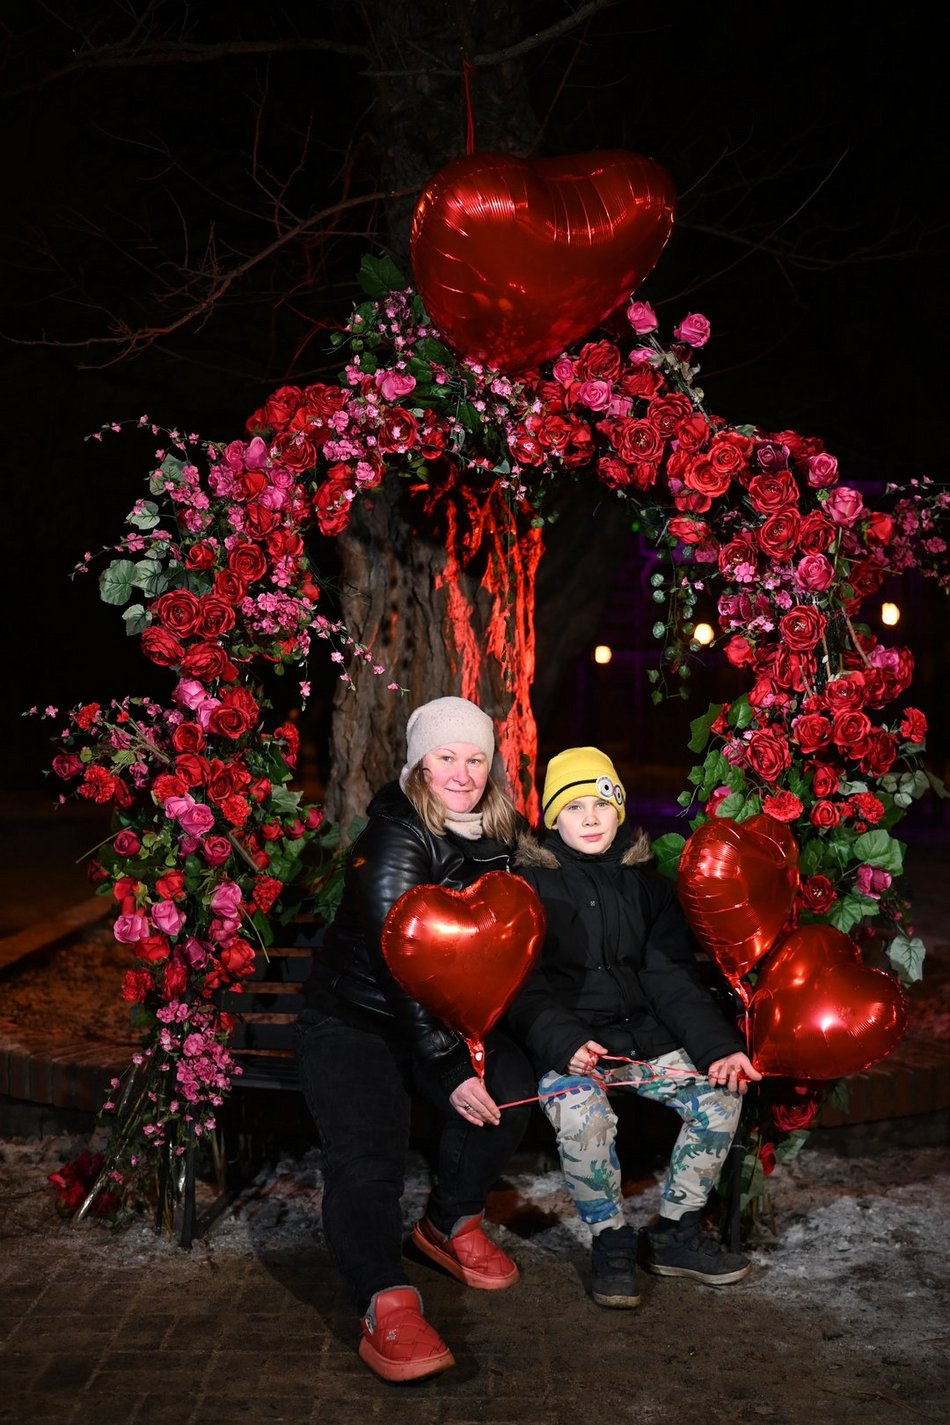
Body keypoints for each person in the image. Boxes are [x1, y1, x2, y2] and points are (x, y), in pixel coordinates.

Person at [294, 696, 535, 1383]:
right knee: (370, 1152)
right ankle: (384, 1297)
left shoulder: (502, 836)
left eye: (476, 757)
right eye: (446, 756)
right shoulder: (394, 836)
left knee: (513, 1090)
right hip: (357, 1020)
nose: (462, 772)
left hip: (442, 1026)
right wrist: (452, 1064)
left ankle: (448, 1223)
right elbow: (399, 963)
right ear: (419, 763)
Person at [506, 745, 762, 1310]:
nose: (590, 817)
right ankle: (611, 1238)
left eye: (602, 802)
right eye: (573, 807)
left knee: (720, 1097)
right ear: (552, 818)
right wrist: (562, 1040)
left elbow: (669, 975)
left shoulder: (645, 883)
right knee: (583, 1115)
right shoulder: (527, 884)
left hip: (643, 1040)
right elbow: (521, 983)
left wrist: (718, 1048)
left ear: (619, 809)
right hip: (573, 1046)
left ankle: (674, 1233)